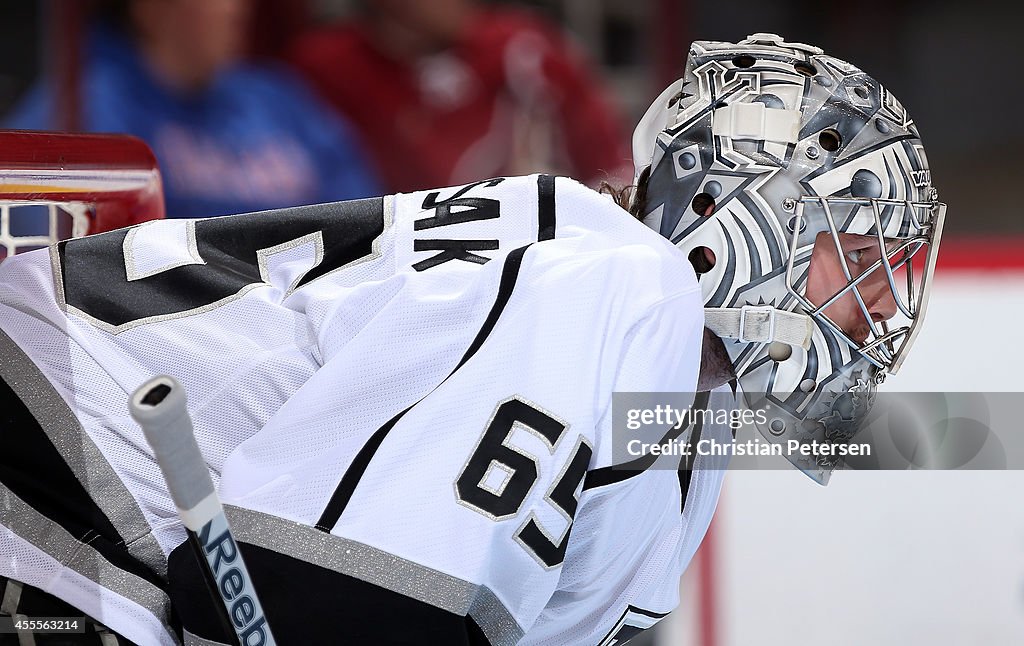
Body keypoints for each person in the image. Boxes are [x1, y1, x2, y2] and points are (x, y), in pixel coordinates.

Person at [0, 34, 943, 644]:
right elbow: (310, 596)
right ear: (729, 209)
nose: (884, 300)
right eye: (857, 250)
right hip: (44, 480)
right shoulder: (619, 282)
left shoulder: (684, 405)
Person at [4, 0, 380, 218]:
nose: (237, 9)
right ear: (150, 7)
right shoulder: (84, 105)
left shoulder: (278, 98)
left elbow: (361, 218)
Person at [287, 0, 634, 194]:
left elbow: (614, 168)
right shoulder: (323, 66)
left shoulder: (521, 50)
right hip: (391, 265)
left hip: (526, 253)